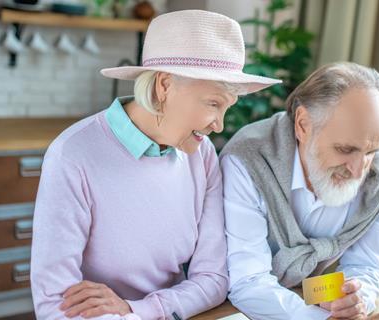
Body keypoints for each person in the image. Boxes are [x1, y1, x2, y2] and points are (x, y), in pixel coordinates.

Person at [30, 9, 281, 320]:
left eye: (227, 107)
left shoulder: (202, 157)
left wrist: (139, 309)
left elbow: (214, 280)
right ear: (164, 86)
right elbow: (56, 305)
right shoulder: (72, 155)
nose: (219, 125)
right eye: (213, 104)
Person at [220, 62, 379, 320]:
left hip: (316, 303)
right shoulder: (248, 159)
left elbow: (368, 264)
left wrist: (352, 301)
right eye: (345, 150)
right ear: (303, 125)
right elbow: (248, 281)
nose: (359, 170)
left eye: (371, 152)